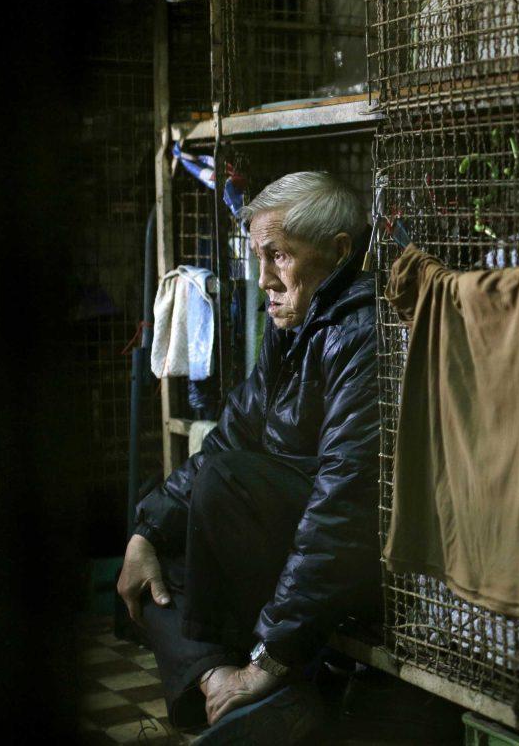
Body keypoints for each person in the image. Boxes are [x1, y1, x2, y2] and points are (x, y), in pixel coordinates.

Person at [116, 171, 381, 736]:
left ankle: (263, 684)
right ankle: (222, 684)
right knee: (150, 571)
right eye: (257, 257)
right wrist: (144, 532)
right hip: (288, 541)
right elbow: (228, 438)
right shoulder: (292, 326)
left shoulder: (360, 330)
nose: (264, 279)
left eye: (279, 257)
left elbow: (343, 507)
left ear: (337, 253)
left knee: (224, 481)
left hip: (347, 560)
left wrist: (270, 661)